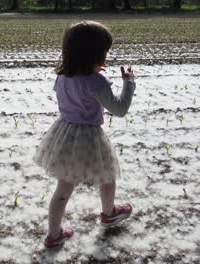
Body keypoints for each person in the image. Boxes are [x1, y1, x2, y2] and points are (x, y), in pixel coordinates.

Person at [33, 20, 136, 249]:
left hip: (64, 134)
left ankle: (54, 235)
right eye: (104, 51)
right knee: (108, 175)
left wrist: (91, 72)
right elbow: (119, 109)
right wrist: (128, 84)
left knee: (63, 189)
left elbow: (78, 90)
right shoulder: (96, 81)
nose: (106, 56)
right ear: (95, 54)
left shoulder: (62, 76)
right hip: (89, 137)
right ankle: (109, 213)